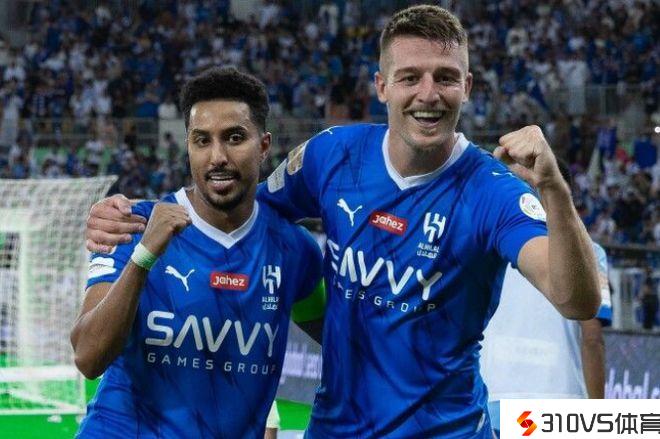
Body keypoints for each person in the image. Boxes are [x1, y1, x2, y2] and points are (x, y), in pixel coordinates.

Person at [85, 6, 600, 438]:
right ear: (382, 86)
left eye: (445, 77)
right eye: (410, 77)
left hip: (444, 429)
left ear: (466, 86)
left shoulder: (494, 192)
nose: (428, 93)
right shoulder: (332, 155)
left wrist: (554, 189)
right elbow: (233, 205)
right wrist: (135, 215)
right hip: (337, 428)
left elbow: (577, 300)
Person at [71, 67, 324, 438]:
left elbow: (345, 342)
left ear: (263, 146)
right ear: (188, 147)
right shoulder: (132, 225)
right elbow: (88, 358)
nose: (217, 156)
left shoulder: (293, 248)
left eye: (234, 138)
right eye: (202, 140)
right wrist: (144, 256)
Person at [480, 161, 612, 437]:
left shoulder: (487, 245)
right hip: (561, 402)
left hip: (494, 398)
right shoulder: (591, 253)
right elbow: (592, 339)